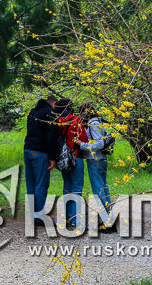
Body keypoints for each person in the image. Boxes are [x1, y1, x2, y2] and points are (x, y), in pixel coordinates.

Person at [78, 102, 117, 233]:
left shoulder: (93, 124)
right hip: (101, 159)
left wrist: (81, 144)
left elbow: (99, 144)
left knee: (99, 191)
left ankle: (107, 222)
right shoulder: (98, 122)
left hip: (95, 160)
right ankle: (109, 219)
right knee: (104, 189)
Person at [24, 94, 60, 226]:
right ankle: (39, 218)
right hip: (40, 152)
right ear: (54, 103)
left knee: (31, 184)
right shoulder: (50, 113)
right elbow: (51, 137)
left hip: (28, 149)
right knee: (41, 184)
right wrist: (53, 157)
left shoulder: (33, 112)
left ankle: (32, 215)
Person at [55, 98, 88, 230]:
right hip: (75, 155)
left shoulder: (56, 121)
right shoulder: (75, 120)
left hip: (63, 158)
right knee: (77, 187)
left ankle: (68, 218)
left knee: (67, 187)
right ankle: (76, 220)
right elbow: (83, 138)